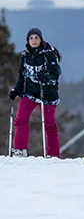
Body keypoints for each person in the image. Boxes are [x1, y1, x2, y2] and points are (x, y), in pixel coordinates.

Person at [8, 28, 61, 157]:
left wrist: (47, 78)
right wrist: (17, 89)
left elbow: (56, 73)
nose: (34, 40)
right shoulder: (25, 55)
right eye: (31, 38)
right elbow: (22, 75)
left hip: (47, 94)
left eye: (36, 38)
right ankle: (20, 150)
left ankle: (52, 154)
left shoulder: (49, 53)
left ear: (41, 39)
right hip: (30, 92)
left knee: (49, 125)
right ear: (28, 40)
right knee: (20, 120)